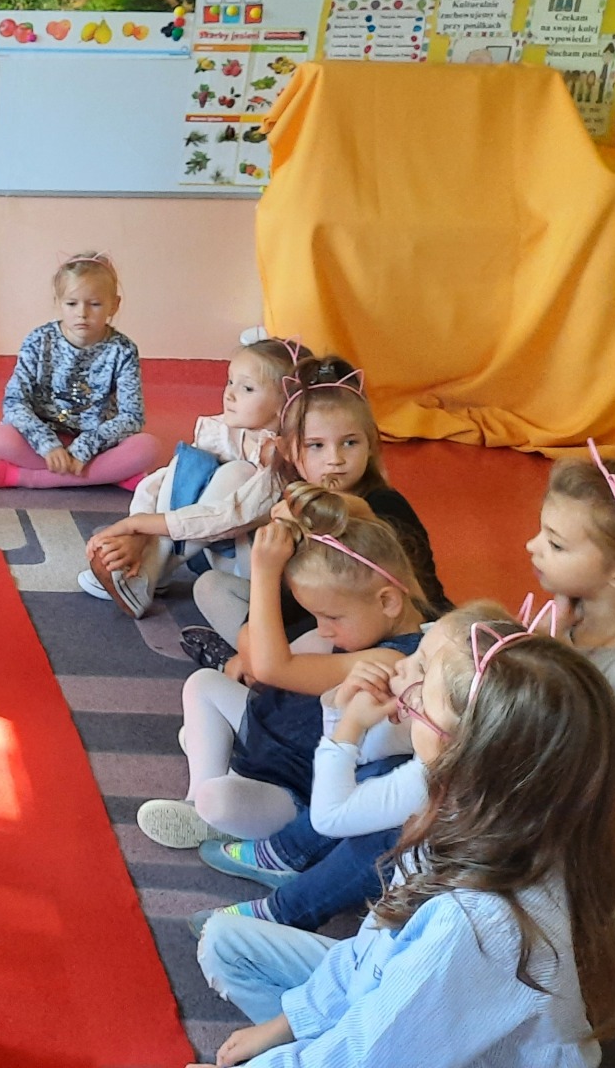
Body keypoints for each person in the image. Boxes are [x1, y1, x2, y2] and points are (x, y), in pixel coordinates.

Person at [187, 631, 615, 1068]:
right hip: (392, 1004)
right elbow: (369, 950)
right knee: (223, 940)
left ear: (461, 752)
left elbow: (367, 1057)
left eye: (422, 702)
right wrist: (289, 1024)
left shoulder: (474, 924)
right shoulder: (471, 822)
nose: (408, 703)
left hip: (404, 1042)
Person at [197, 601, 519, 934]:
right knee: (380, 773)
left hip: (443, 914)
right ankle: (286, 854)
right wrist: (341, 710)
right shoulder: (456, 736)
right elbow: (361, 760)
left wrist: (350, 726)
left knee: (392, 839)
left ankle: (284, 911)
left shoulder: (439, 779)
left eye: (422, 666)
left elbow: (329, 815)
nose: (402, 665)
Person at [138, 486, 429, 851]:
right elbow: (264, 666)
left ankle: (214, 782)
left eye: (332, 617)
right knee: (203, 684)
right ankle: (195, 800)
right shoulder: (365, 624)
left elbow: (271, 668)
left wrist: (264, 571)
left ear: (387, 602)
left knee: (219, 799)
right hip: (272, 734)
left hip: (296, 784)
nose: (324, 628)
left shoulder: (394, 661)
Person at [191, 355, 447, 650]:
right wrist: (253, 637)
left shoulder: (385, 503)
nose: (335, 459)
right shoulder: (289, 501)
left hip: (383, 636)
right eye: (316, 446)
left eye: (350, 443)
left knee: (313, 640)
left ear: (371, 444)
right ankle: (257, 661)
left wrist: (266, 652)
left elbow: (417, 597)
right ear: (287, 450)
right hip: (315, 620)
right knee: (210, 587)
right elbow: (288, 598)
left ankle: (262, 666)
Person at [81, 338, 305, 616]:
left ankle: (148, 571)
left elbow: (230, 518)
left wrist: (142, 526)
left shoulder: (282, 456)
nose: (229, 394)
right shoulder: (225, 432)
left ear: (285, 404)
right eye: (230, 381)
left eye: (247, 388)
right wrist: (137, 533)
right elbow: (165, 480)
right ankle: (149, 567)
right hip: (204, 550)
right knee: (190, 462)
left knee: (238, 472)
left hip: (252, 566)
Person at [0, 252, 160, 491]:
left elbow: (132, 417)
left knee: (148, 447)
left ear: (114, 305)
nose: (82, 313)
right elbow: (14, 402)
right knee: (1, 438)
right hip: (44, 440)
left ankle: (26, 477)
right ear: (58, 303)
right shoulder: (38, 341)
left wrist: (85, 447)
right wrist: (47, 444)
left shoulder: (123, 350)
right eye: (72, 304)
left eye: (95, 304)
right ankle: (108, 474)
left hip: (97, 443)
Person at [528, 442, 615, 693]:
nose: (531, 545)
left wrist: (548, 653)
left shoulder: (614, 674)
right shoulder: (563, 612)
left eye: (556, 545)